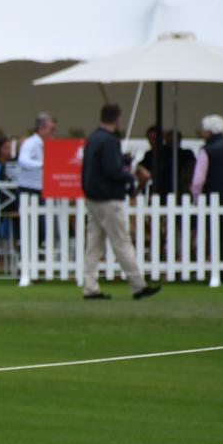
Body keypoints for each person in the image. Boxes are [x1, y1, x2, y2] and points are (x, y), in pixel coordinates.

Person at [81, 103, 159, 301]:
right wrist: (129, 173)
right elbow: (112, 170)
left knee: (93, 245)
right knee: (122, 242)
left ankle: (90, 287)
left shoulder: (92, 138)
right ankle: (138, 285)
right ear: (117, 119)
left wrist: (120, 162)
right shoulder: (110, 141)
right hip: (108, 199)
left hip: (92, 198)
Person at [16, 112, 54, 200]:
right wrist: (42, 165)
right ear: (42, 128)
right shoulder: (30, 143)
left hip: (40, 188)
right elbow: (23, 160)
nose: (53, 132)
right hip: (29, 190)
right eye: (51, 129)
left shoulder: (47, 144)